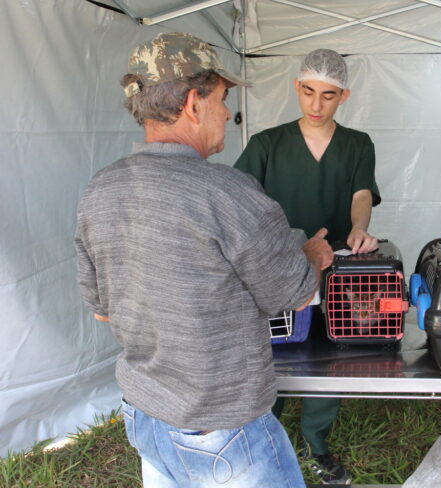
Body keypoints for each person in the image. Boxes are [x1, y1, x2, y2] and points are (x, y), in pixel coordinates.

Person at [74, 32, 334, 488]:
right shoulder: (229, 193)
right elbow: (297, 294)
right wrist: (311, 253)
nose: (228, 115)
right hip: (222, 429)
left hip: (145, 412)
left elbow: (101, 310)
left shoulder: (101, 189)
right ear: (194, 104)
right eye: (222, 98)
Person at [234, 48, 380, 485]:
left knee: (331, 353)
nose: (317, 106)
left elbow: (361, 194)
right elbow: (240, 201)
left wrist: (358, 229)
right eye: (309, 92)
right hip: (277, 269)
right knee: (273, 354)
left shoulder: (357, 144)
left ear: (344, 96)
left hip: (335, 266)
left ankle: (317, 444)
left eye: (329, 95)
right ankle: (265, 444)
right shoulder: (266, 144)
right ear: (296, 87)